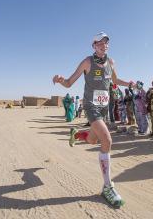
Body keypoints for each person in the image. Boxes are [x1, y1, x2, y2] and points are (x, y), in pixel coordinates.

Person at [52, 32, 133, 207]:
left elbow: (115, 80)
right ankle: (107, 186)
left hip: (103, 107)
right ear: (93, 46)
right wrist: (60, 80)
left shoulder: (111, 62)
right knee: (107, 140)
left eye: (106, 42)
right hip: (91, 106)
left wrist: (130, 84)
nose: (103, 45)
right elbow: (69, 82)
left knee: (92, 140)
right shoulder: (87, 62)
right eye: (99, 43)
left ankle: (77, 134)